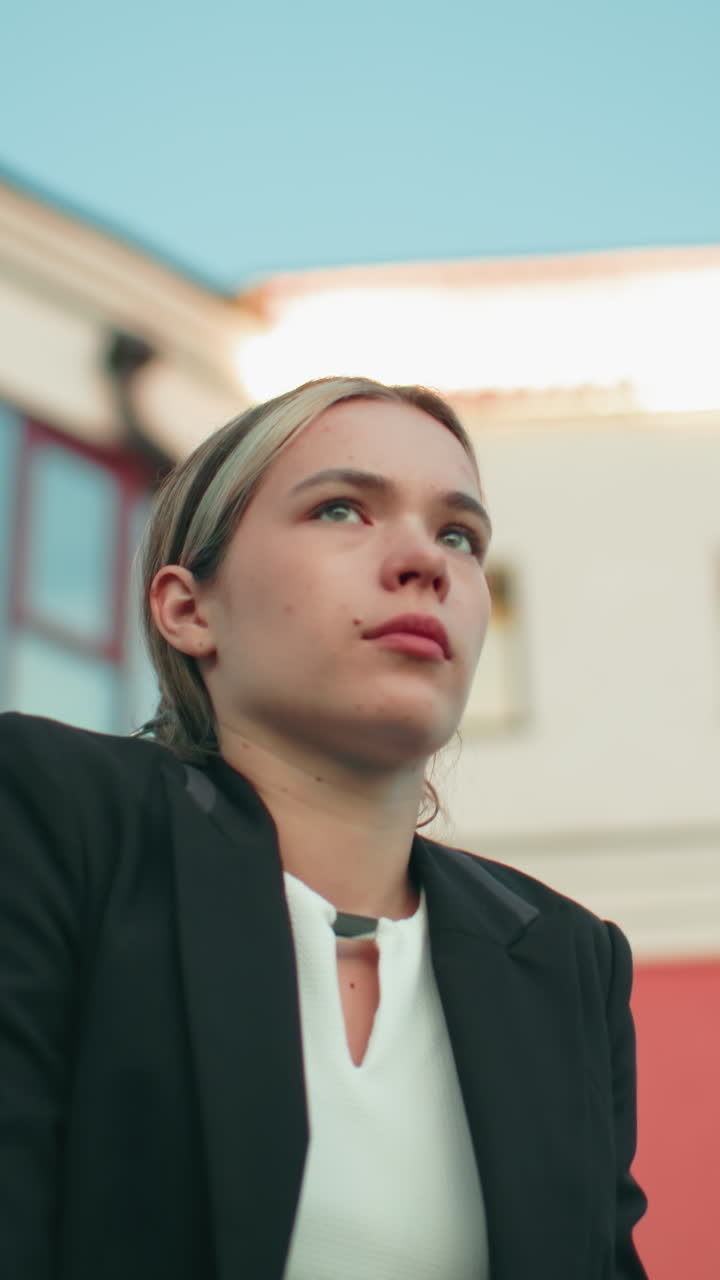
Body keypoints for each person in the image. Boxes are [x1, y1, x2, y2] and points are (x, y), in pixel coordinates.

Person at [0, 375, 648, 1279]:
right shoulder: (52, 820)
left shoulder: (568, 961)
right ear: (190, 609)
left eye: (458, 535)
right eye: (343, 510)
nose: (425, 561)